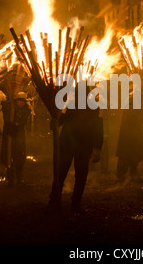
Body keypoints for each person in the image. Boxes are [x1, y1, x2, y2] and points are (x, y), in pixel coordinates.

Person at [47, 83, 104, 214]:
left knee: (75, 174)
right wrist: (55, 121)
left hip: (82, 145)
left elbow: (97, 127)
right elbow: (61, 120)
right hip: (70, 143)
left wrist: (97, 147)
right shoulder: (72, 104)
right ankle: (58, 201)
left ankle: (69, 203)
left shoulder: (91, 106)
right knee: (64, 173)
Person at [0, 92, 31, 185]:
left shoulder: (26, 109)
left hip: (19, 136)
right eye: (19, 101)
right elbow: (4, 108)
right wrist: (10, 126)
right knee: (9, 156)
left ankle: (19, 178)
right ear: (16, 101)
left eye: (23, 101)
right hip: (9, 135)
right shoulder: (10, 108)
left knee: (20, 157)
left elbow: (22, 122)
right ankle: (10, 178)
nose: (21, 103)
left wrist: (15, 124)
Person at [115, 95, 143, 184]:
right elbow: (132, 118)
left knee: (134, 157)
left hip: (133, 136)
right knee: (125, 156)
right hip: (128, 137)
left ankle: (134, 175)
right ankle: (120, 177)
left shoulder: (135, 105)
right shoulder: (130, 106)